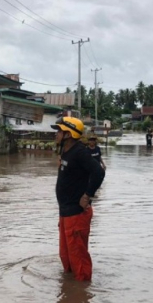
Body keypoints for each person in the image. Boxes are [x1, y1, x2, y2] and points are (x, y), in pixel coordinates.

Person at [52, 117, 105, 281]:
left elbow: (99, 171)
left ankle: (82, 295)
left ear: (68, 134)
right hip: (65, 212)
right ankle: (70, 293)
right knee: (66, 257)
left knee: (78, 260)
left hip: (76, 214)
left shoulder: (80, 152)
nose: (56, 134)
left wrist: (87, 194)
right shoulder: (66, 151)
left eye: (59, 131)